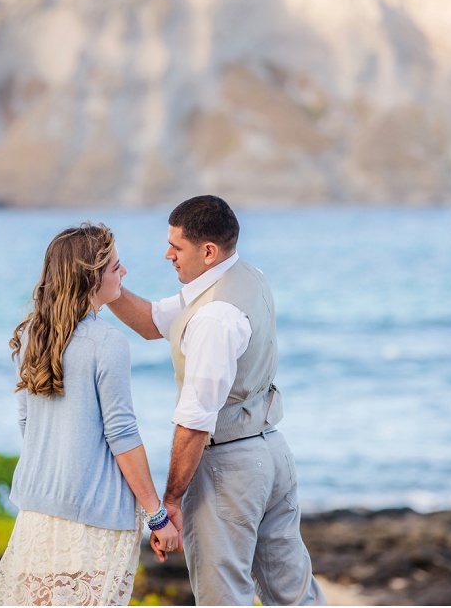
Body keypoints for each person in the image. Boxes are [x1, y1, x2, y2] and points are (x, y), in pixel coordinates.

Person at [108, 196, 327, 606]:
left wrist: (170, 501)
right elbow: (153, 321)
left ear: (208, 251)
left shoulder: (214, 317)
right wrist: (108, 288)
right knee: (294, 593)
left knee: (222, 596)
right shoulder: (246, 277)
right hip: (272, 453)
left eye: (177, 246)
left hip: (229, 467)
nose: (167, 254)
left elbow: (194, 423)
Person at [0, 223, 178, 607]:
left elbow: (26, 423)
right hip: (95, 522)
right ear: (91, 278)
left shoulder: (32, 335)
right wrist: (157, 516)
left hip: (37, 515)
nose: (124, 273)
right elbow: (122, 435)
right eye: (115, 268)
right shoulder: (107, 342)